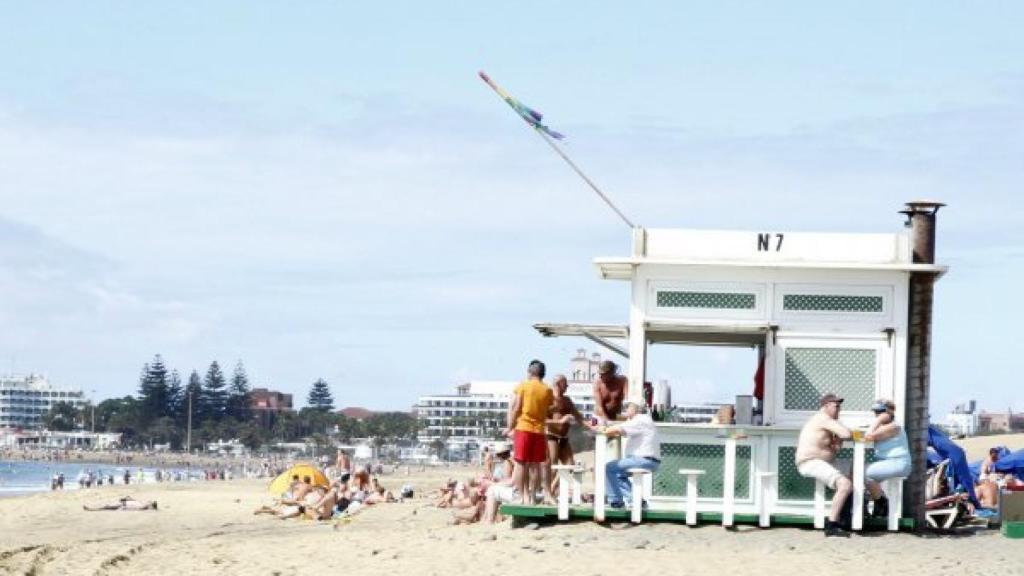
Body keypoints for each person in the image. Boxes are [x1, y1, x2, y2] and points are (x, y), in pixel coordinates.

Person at [795, 393, 853, 537]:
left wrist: (837, 439)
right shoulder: (823, 418)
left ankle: (846, 519)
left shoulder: (826, 420)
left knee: (854, 470)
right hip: (811, 462)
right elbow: (846, 433)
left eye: (840, 406)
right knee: (845, 484)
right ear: (826, 406)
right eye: (836, 406)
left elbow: (839, 442)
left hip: (824, 461)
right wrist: (839, 434)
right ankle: (832, 525)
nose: (839, 409)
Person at [505, 359, 554, 506]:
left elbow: (516, 407)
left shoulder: (523, 386)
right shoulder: (547, 390)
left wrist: (510, 426)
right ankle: (533, 495)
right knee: (535, 465)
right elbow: (548, 409)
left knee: (521, 464)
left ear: (530, 372)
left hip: (524, 427)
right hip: (539, 430)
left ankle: (524, 495)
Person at [596, 400, 660, 509]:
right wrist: (610, 429)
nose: (626, 409)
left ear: (635, 408)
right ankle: (637, 501)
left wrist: (603, 430)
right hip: (648, 459)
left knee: (608, 468)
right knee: (619, 474)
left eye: (628, 407)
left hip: (643, 459)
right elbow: (621, 430)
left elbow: (618, 428)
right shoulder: (644, 419)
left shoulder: (640, 420)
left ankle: (616, 501)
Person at [863, 399, 910, 518]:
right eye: (876, 412)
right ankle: (870, 506)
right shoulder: (884, 426)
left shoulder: (894, 427)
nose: (877, 415)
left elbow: (868, 436)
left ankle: (881, 503)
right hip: (887, 462)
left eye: (880, 412)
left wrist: (878, 420)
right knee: (857, 471)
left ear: (889, 413)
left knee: (864, 473)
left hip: (898, 462)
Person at [545, 374, 585, 494]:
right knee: (552, 465)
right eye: (565, 384)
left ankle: (551, 490)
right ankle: (548, 492)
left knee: (570, 465)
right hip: (552, 435)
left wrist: (593, 426)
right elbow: (542, 420)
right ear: (558, 384)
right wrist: (560, 421)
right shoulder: (549, 399)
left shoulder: (567, 400)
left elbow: (579, 417)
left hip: (564, 437)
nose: (567, 386)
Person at [84, 496, 158, 511]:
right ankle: (91, 508)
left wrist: (123, 508)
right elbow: (133, 501)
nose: (149, 501)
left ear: (150, 505)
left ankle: (91, 509)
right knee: (106, 506)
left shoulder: (142, 506)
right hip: (123, 503)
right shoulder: (142, 503)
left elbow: (132, 508)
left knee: (106, 506)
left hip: (122, 505)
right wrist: (128, 498)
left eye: (151, 502)